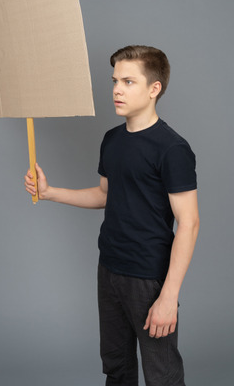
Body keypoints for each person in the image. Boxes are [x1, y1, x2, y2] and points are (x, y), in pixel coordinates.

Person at [24, 45, 200, 386]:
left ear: (154, 89)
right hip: (110, 269)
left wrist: (169, 295)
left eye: (129, 82)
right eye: (115, 80)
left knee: (162, 376)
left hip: (149, 278)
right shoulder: (112, 140)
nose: (117, 89)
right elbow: (105, 195)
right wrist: (49, 193)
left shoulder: (172, 149)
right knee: (117, 368)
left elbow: (189, 223)